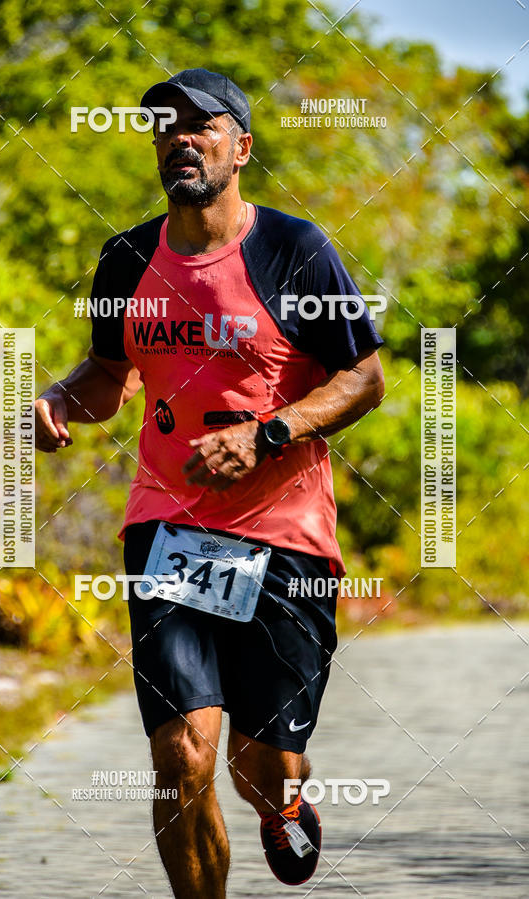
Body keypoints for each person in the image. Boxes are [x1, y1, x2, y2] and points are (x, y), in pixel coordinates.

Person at [35, 68, 385, 897]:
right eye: (166, 126)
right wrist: (60, 399)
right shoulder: (127, 258)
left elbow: (364, 378)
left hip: (284, 534)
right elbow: (110, 375)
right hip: (170, 528)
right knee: (179, 753)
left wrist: (268, 434)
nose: (180, 138)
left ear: (243, 147)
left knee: (260, 765)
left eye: (202, 125)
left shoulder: (295, 250)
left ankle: (281, 798)